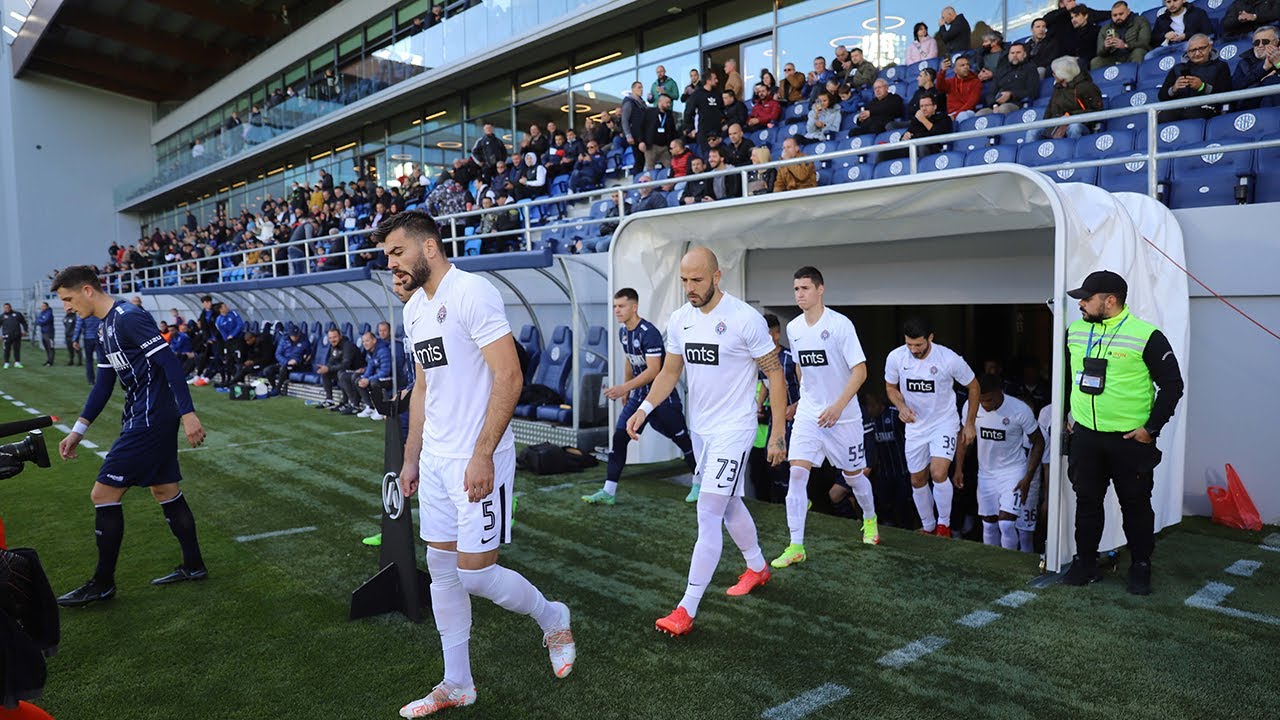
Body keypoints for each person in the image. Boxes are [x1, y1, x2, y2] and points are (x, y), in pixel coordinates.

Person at [374, 211, 575, 716]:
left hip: (478, 458)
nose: (392, 265)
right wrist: (411, 456)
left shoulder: (474, 292)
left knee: (477, 575)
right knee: (442, 570)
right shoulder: (414, 309)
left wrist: (483, 453)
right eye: (387, 257)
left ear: (430, 248)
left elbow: (510, 378)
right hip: (437, 460)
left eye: (398, 253)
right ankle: (457, 683)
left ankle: (553, 617)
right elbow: (424, 386)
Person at [631, 247, 787, 637]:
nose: (689, 288)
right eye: (684, 280)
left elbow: (775, 376)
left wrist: (779, 433)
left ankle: (686, 608)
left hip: (734, 429)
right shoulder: (680, 320)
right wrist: (645, 408)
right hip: (701, 429)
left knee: (708, 510)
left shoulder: (744, 319)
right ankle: (757, 566)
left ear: (717, 277)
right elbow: (669, 372)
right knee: (730, 502)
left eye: (697, 280)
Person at [50, 266, 209, 607]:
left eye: (68, 299)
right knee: (164, 488)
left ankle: (102, 583)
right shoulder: (104, 325)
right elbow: (104, 384)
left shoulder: (128, 317)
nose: (67, 307)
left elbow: (168, 363)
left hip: (151, 420)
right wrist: (78, 430)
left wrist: (188, 414)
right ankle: (194, 565)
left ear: (88, 290)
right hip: (142, 417)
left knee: (103, 493)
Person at [1060, 271, 1183, 595]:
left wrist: (1151, 429)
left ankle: (1141, 566)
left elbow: (1172, 385)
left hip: (1130, 440)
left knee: (1135, 505)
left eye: (1087, 298)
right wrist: (1066, 417)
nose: (1081, 303)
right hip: (1086, 436)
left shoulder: (1146, 335)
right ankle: (1085, 563)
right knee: (1087, 502)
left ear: (1110, 300)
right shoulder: (1075, 331)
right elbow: (1065, 377)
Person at [770, 267, 876, 571]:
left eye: (805, 288)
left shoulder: (840, 325)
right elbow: (802, 368)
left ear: (820, 289)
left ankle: (869, 520)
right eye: (795, 289)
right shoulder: (794, 328)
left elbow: (861, 371)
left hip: (843, 417)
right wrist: (805, 399)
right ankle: (796, 545)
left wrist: (838, 406)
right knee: (797, 475)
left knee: (855, 477)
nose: (799, 294)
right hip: (809, 415)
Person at [582, 288, 698, 506]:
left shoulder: (649, 332)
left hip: (662, 397)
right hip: (639, 397)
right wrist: (628, 391)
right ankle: (609, 491)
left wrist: (624, 386)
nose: (617, 310)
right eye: (615, 306)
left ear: (634, 307)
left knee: (682, 440)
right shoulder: (623, 331)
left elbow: (654, 370)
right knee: (619, 438)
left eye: (621, 306)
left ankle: (699, 482)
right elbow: (630, 359)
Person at [884, 316, 979, 538]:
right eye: (909, 344)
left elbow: (974, 387)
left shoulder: (948, 358)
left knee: (938, 473)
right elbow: (890, 387)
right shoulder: (896, 357)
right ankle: (928, 525)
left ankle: (944, 526)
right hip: (915, 425)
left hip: (943, 423)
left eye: (918, 344)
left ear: (930, 338)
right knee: (917, 478)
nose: (913, 349)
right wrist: (901, 406)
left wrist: (969, 424)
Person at [953, 374, 1045, 551]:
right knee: (988, 524)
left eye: (988, 400)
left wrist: (1028, 476)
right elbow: (963, 436)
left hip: (1013, 471)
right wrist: (958, 468)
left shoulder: (1019, 409)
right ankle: (992, 565)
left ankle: (1009, 564)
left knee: (1006, 524)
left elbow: (1039, 442)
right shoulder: (970, 406)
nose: (984, 405)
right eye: (981, 401)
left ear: (999, 392)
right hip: (986, 473)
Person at [1156, 34, 1234, 121]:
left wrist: (1202, 87)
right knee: (1163, 117)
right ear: (1187, 52)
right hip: (1179, 107)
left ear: (1210, 47)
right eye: (1192, 50)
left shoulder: (1220, 66)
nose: (1197, 53)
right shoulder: (1177, 68)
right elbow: (1162, 96)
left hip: (1206, 108)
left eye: (1201, 48)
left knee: (1193, 113)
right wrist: (1173, 89)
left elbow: (1226, 95)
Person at [1027, 56, 1104, 141]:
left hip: (1083, 124)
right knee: (1033, 131)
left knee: (1074, 127)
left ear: (1063, 74)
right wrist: (1047, 123)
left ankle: (1074, 153)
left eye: (1055, 73)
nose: (1053, 75)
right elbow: (1049, 110)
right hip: (1058, 124)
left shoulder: (1087, 87)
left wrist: (1070, 116)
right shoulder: (1058, 88)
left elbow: (1097, 110)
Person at [976, 42, 1041, 116]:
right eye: (1012, 53)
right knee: (979, 114)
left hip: (1017, 104)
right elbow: (991, 93)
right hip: (996, 106)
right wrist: (994, 105)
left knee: (1003, 109)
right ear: (1008, 55)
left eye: (1018, 52)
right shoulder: (1001, 70)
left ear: (1024, 54)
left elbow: (1032, 91)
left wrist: (1011, 94)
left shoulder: (1030, 68)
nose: (1015, 55)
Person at [1230, 25, 1280, 109]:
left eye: (1265, 42)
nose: (1260, 46)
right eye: (1256, 43)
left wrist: (1278, 64)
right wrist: (1263, 68)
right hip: (1250, 107)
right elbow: (1235, 87)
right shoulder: (1244, 62)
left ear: (1277, 42)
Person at [1091, 1, 1152, 69]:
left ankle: (1136, 77)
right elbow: (1099, 52)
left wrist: (1125, 45)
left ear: (1128, 11)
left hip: (1132, 54)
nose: (1118, 17)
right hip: (1114, 57)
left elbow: (1144, 43)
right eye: (1115, 15)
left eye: (1121, 14)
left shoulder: (1140, 21)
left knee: (1138, 52)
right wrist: (1106, 47)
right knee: (1095, 61)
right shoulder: (1105, 28)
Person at [314, 328, 361, 409]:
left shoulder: (348, 346)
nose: (332, 340)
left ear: (340, 336)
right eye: (330, 338)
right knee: (326, 372)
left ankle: (349, 403)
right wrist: (326, 368)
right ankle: (329, 400)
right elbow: (331, 362)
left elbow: (346, 364)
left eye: (334, 337)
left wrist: (329, 368)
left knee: (341, 374)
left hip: (356, 372)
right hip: (344, 371)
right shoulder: (334, 347)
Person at [938, 55, 983, 122]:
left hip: (967, 112)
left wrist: (955, 115)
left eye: (967, 64)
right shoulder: (950, 82)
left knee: (962, 116)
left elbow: (971, 103)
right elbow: (939, 87)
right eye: (962, 65)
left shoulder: (976, 82)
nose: (966, 67)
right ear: (955, 70)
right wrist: (942, 72)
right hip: (951, 114)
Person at [641, 93, 677, 171]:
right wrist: (641, 141)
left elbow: (673, 131)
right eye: (667, 102)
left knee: (670, 168)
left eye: (669, 103)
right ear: (660, 101)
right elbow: (642, 127)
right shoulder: (649, 112)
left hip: (665, 147)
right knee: (650, 170)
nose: (669, 105)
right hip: (651, 146)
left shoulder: (670, 115)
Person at [74, 311, 103, 383]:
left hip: (88, 337)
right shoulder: (99, 311)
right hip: (99, 337)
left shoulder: (84, 312)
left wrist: (75, 340)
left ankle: (90, 379)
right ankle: (101, 379)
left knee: (89, 360)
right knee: (101, 360)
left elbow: (78, 326)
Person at [1, 303, 26, 369]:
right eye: (5, 308)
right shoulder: (2, 316)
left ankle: (17, 362)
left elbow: (23, 322)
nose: (6, 309)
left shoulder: (17, 314)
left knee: (16, 349)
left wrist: (25, 330)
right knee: (6, 349)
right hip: (6, 335)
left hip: (17, 335)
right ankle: (6, 363)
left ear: (10, 307)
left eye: (8, 307)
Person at [35, 302, 55, 366]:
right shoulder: (42, 313)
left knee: (50, 347)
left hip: (49, 332)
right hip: (43, 332)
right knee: (46, 347)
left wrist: (40, 321)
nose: (42, 307)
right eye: (42, 306)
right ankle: (48, 360)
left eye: (43, 306)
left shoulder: (49, 313)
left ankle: (50, 361)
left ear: (47, 307)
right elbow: (37, 320)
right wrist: (41, 321)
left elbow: (45, 320)